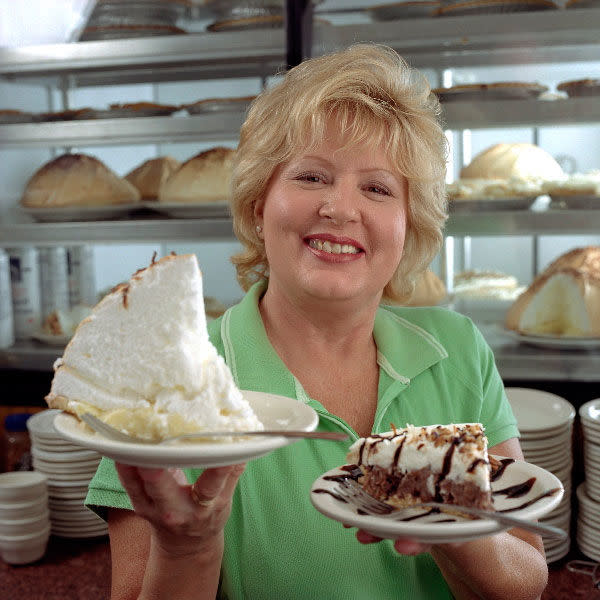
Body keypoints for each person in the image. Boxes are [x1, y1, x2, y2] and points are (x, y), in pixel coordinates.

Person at [86, 44, 548, 600]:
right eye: (311, 177)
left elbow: (527, 578)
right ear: (260, 204)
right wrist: (189, 547)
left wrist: (451, 518)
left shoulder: (458, 348)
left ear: (409, 226)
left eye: (377, 188)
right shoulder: (167, 382)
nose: (341, 209)